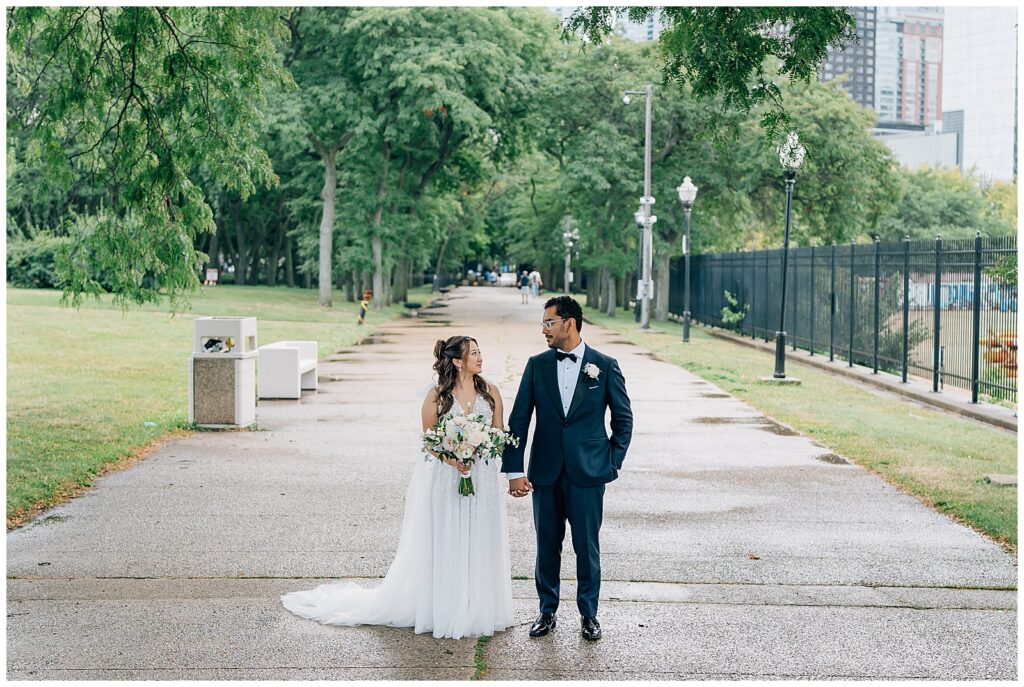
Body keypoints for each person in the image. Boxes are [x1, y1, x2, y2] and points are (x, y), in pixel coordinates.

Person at [281, 336, 514, 640]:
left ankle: (479, 605)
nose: (480, 357)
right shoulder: (437, 396)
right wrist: (454, 459)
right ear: (457, 361)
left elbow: (498, 434)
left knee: (480, 537)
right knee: (447, 537)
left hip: (480, 478)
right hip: (447, 476)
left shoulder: (491, 392)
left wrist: (481, 450)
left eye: (480, 351)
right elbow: (430, 441)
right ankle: (445, 606)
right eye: (474, 353)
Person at [502, 296, 633, 642]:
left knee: (586, 546)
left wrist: (611, 462)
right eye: (543, 324)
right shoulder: (536, 365)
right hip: (544, 471)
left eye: (549, 322)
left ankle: (589, 614)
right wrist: (514, 470)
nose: (544, 329)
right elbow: (518, 421)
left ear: (569, 323)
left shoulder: (605, 365)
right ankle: (547, 611)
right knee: (547, 544)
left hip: (588, 473)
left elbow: (623, 420)